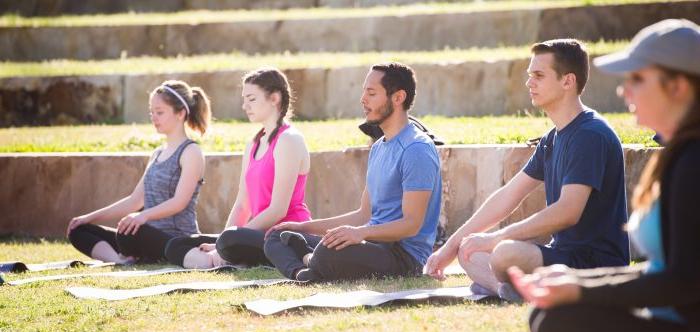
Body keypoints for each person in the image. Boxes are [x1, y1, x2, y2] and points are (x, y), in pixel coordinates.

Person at [510, 19, 700, 332]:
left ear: (679, 87)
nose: (623, 91)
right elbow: (665, 270)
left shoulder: (693, 162)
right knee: (547, 316)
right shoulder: (681, 153)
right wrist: (577, 282)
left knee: (558, 325)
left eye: (638, 79)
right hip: (677, 327)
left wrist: (581, 288)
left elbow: (684, 282)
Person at [425, 39, 630, 301]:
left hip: (597, 264)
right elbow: (506, 197)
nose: (529, 82)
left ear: (568, 81)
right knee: (469, 248)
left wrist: (495, 238)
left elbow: (568, 212)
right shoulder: (552, 139)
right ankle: (507, 291)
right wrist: (451, 247)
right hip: (562, 256)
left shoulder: (590, 134)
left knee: (504, 253)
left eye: (539, 75)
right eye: (529, 75)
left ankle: (512, 289)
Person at [264, 62, 442, 282]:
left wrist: (360, 233)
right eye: (363, 92)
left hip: (402, 257)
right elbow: (363, 215)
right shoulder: (379, 147)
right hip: (372, 244)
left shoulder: (417, 150)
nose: (363, 99)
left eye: (371, 93)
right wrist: (303, 227)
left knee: (329, 251)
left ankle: (311, 261)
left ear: (398, 98)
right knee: (276, 237)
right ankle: (303, 272)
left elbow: (411, 224)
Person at [164, 68, 311, 268]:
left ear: (274, 98)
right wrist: (221, 243)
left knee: (231, 238)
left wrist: (227, 241)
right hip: (257, 235)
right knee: (177, 244)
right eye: (244, 99)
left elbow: (278, 210)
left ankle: (222, 259)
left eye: (251, 99)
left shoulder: (289, 140)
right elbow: (243, 203)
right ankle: (224, 259)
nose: (244, 106)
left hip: (284, 236)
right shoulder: (254, 143)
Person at [67, 80, 210, 264]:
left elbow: (179, 202)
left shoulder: (191, 152)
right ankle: (119, 262)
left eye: (160, 112)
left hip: (176, 239)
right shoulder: (157, 153)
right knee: (79, 230)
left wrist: (143, 216)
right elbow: (135, 201)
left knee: (130, 233)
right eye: (152, 112)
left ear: (180, 113)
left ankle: (133, 254)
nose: (154, 117)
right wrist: (89, 217)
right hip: (144, 235)